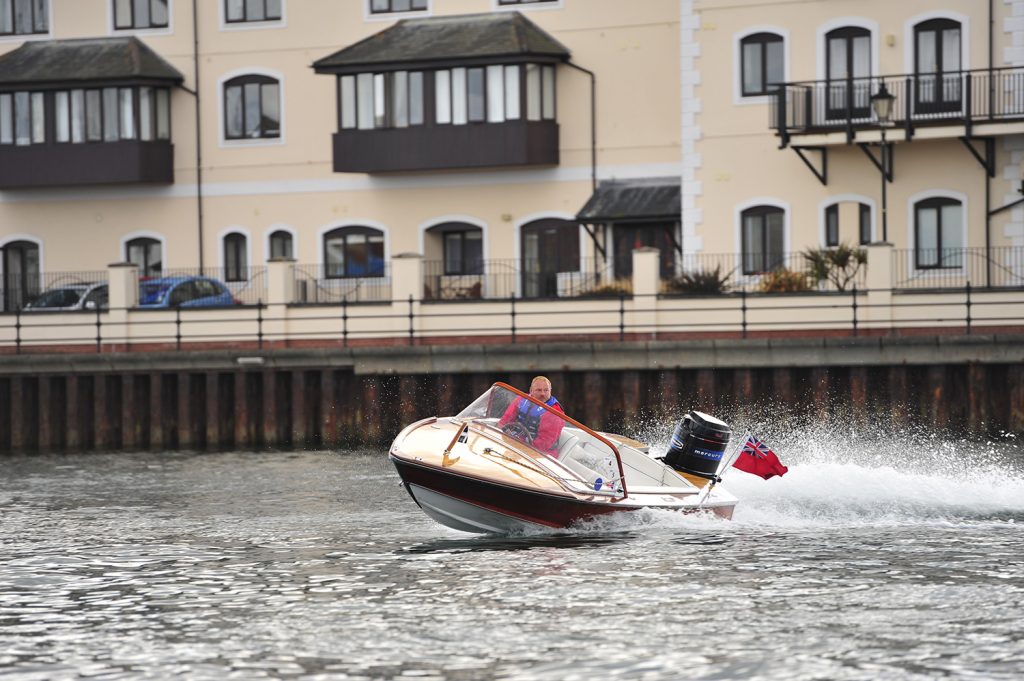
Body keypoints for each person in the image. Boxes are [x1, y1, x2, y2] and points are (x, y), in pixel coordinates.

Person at [498, 376, 565, 456]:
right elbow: (504, 421)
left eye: (546, 390)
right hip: (516, 443)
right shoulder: (520, 400)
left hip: (541, 455)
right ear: (531, 390)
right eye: (539, 390)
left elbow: (543, 443)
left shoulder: (554, 412)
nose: (543, 394)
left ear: (550, 391)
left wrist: (520, 449)